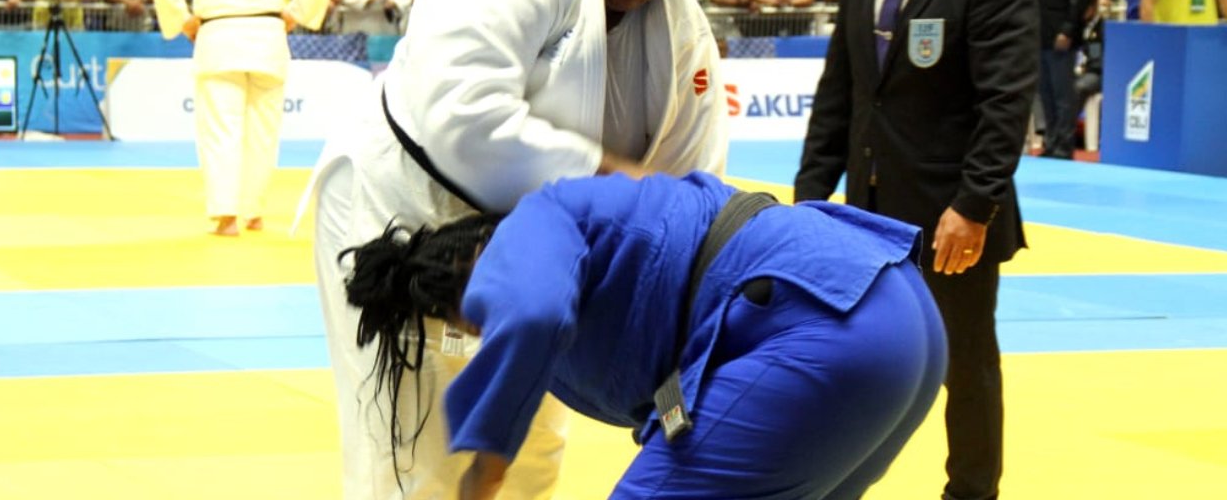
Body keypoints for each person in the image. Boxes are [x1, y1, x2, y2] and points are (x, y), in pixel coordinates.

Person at [306, 0, 729, 498]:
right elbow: (466, 120)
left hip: (548, 246)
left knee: (531, 450)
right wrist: (615, 181)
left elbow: (692, 184)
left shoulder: (681, 26)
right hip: (410, 209)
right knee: (412, 452)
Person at [343, 171, 947, 500]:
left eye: (470, 319)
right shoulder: (594, 233)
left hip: (824, 324)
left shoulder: (532, 223)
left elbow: (528, 315)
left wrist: (485, 473)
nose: (481, 331)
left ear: (468, 269)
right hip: (898, 317)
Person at [794, 0, 1038, 500]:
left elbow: (1005, 108)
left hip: (952, 216)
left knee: (965, 365)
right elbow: (839, 92)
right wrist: (811, 194)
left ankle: (972, 490)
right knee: (848, 354)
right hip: (865, 211)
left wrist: (973, 206)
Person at [150, 0, 332, 237]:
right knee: (264, 131)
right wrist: (297, 12)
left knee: (221, 130)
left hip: (217, 35)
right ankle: (253, 212)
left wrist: (183, 19)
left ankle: (226, 215)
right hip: (268, 33)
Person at [1033, 0, 1093, 160]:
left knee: (1062, 92)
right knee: (1045, 90)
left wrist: (1068, 29)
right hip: (1042, 31)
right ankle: (1051, 140)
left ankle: (1064, 145)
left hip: (1061, 33)